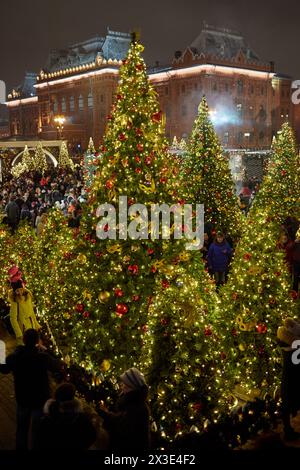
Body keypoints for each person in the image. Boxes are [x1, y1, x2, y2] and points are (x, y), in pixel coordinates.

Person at [0, 329, 63, 449]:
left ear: (23, 340)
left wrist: (1, 352)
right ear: (37, 341)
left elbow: (4, 369)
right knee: (37, 431)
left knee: (22, 429)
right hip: (40, 399)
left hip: (23, 398)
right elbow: (57, 366)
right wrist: (47, 351)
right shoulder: (42, 357)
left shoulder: (15, 357)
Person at [98, 367, 150, 452]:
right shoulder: (129, 399)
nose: (122, 387)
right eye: (123, 384)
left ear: (133, 387)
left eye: (126, 386)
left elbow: (122, 426)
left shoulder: (138, 406)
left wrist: (105, 415)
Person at [35, 382, 97, 450]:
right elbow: (92, 436)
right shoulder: (82, 420)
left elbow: (39, 440)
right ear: (73, 396)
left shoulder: (46, 417)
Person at [277, 318, 300, 440]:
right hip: (292, 380)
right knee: (288, 404)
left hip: (289, 380)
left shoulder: (287, 344)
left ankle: (288, 429)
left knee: (287, 404)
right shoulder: (294, 348)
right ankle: (288, 431)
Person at [8, 279, 41, 343]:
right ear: (15, 292)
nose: (20, 292)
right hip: (23, 329)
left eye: (20, 289)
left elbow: (31, 312)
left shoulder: (27, 297)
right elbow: (13, 319)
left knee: (33, 345)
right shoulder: (15, 301)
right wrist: (19, 333)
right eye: (17, 291)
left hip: (32, 326)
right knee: (25, 347)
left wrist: (36, 325)